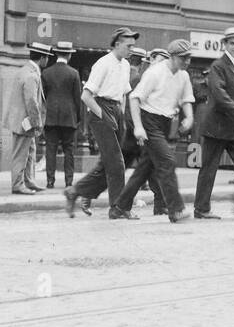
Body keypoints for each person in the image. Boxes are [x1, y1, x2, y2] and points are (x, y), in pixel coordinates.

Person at [109, 38, 195, 223]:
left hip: (164, 123)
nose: (187, 61)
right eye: (183, 58)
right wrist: (139, 127)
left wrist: (189, 117)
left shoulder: (183, 75)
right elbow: (134, 98)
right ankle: (176, 210)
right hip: (149, 121)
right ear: (172, 57)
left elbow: (186, 99)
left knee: (145, 169)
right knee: (168, 160)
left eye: (189, 57)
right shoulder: (155, 73)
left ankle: (119, 207)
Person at [66, 27, 137, 215]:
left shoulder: (126, 65)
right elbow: (86, 96)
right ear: (117, 44)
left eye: (133, 46)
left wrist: (120, 117)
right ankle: (118, 208)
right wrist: (105, 117)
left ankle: (75, 191)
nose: (132, 49)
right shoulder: (103, 63)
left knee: (108, 164)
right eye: (128, 46)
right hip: (100, 110)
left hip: (115, 110)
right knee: (116, 164)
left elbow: (123, 94)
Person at [192, 27, 234, 219]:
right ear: (225, 44)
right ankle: (201, 209)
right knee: (209, 167)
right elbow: (219, 94)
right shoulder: (218, 66)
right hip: (218, 126)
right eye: (233, 43)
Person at [0, 42, 50, 195]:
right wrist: (37, 123)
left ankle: (29, 180)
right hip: (25, 122)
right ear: (42, 58)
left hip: (21, 120)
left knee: (30, 152)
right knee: (21, 154)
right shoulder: (32, 75)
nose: (47, 60)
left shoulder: (25, 71)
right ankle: (18, 184)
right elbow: (31, 102)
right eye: (47, 57)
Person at [41, 41, 83, 190]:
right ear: (69, 55)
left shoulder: (46, 73)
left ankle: (50, 181)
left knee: (50, 149)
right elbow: (78, 98)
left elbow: (43, 98)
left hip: (51, 117)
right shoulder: (74, 73)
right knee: (69, 150)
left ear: (57, 54)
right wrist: (78, 118)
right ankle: (69, 181)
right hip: (68, 117)